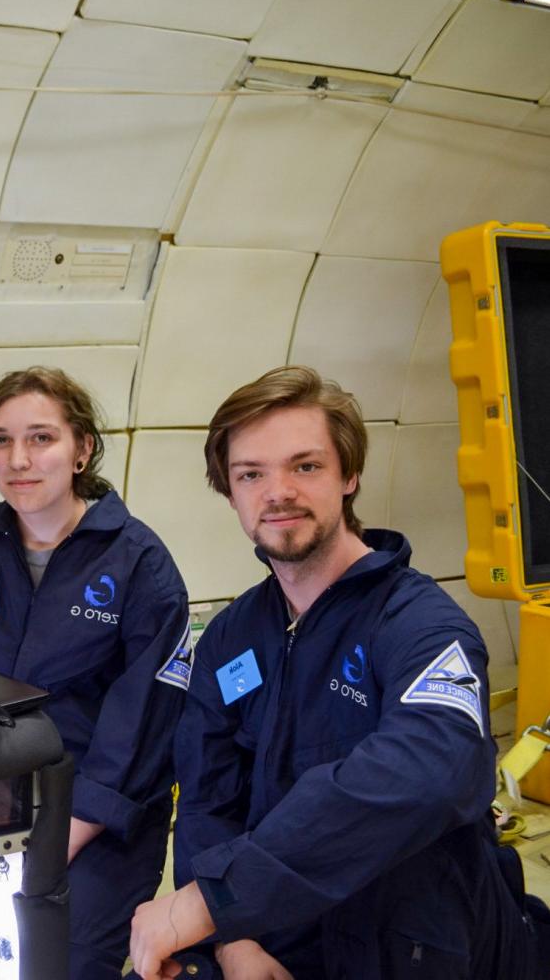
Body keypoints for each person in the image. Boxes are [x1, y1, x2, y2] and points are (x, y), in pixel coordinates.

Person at [129, 366, 548, 980]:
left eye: (305, 466)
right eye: (251, 474)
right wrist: (231, 940)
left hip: (417, 942)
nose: (278, 492)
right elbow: (207, 801)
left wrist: (212, 899)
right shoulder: (229, 638)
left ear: (349, 476)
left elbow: (431, 771)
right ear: (230, 492)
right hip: (276, 929)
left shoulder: (421, 624)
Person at [0, 367, 191, 980]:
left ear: (82, 448)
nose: (18, 459)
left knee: (61, 962)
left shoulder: (139, 564)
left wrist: (58, 838)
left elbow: (142, 725)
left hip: (98, 818)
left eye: (41, 438)